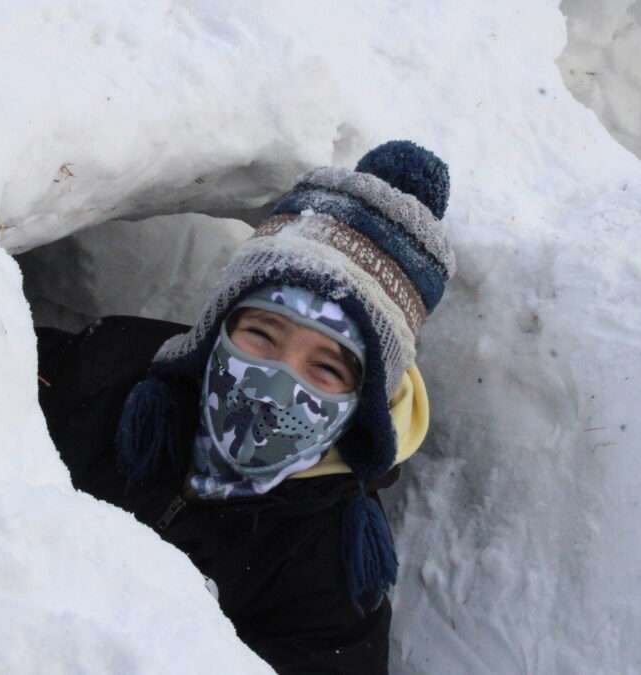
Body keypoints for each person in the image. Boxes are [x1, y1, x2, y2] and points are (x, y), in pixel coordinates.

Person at [36, 140, 454, 674]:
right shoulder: (114, 368)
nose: (274, 387)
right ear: (218, 327)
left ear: (363, 403)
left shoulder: (333, 570)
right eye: (261, 333)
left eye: (327, 369)